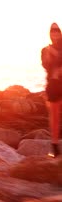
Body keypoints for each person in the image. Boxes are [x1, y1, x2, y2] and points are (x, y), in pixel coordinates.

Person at [41, 22, 62, 157]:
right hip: (53, 85)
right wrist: (49, 57)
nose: (54, 33)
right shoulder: (45, 50)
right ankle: (54, 146)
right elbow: (46, 66)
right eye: (52, 31)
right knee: (54, 116)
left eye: (56, 31)